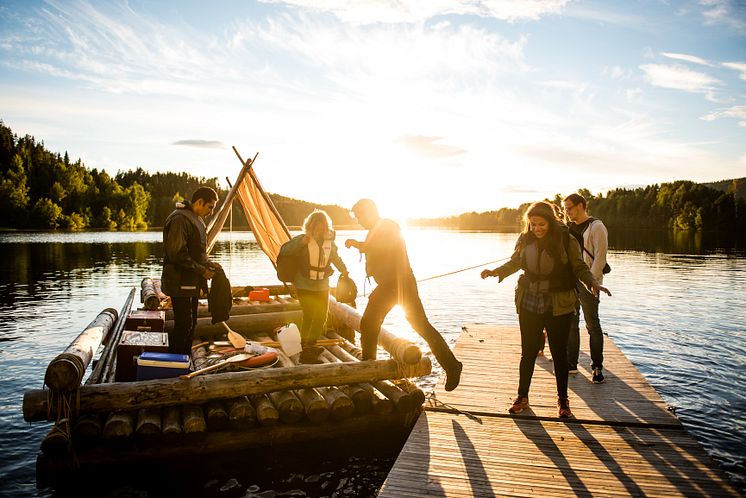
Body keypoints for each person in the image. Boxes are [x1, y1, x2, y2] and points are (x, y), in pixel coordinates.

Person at [481, 201, 610, 417]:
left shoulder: (565, 238)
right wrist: (495, 272)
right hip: (529, 300)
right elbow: (514, 263)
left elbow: (579, 266)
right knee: (528, 352)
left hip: (557, 302)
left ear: (550, 221)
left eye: (541, 224)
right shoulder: (524, 239)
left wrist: (593, 282)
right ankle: (522, 397)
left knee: (559, 353)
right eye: (532, 225)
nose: (537, 229)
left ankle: (563, 401)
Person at [345, 199, 463, 391]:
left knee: (415, 325)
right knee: (371, 322)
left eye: (359, 216)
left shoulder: (388, 226)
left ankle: (452, 366)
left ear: (370, 212)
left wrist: (359, 244)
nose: (359, 221)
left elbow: (380, 246)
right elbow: (373, 247)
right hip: (390, 285)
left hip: (400, 284)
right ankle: (369, 368)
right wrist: (360, 245)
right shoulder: (376, 229)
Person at [279, 210, 349, 364]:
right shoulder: (302, 240)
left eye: (323, 227)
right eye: (317, 226)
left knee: (322, 317)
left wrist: (343, 269)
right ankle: (306, 352)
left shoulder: (329, 242)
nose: (320, 230)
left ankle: (309, 344)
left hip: (322, 285)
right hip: (304, 284)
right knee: (310, 316)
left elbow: (335, 257)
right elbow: (284, 250)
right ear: (310, 226)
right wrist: (300, 244)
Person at [161, 186, 220, 355]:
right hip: (180, 283)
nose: (210, 212)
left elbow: (198, 252)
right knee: (183, 324)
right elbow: (177, 254)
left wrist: (210, 264)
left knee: (191, 324)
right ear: (199, 202)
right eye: (210, 207)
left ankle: (183, 360)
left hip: (190, 282)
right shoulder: (180, 219)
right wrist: (202, 271)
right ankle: (175, 364)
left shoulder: (196, 218)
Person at [564, 193, 609, 383]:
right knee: (572, 324)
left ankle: (597, 367)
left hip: (589, 282)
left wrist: (592, 281)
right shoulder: (568, 228)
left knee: (592, 325)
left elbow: (600, 257)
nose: (567, 212)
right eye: (565, 209)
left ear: (581, 205)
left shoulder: (596, 226)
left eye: (570, 208)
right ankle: (571, 365)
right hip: (570, 282)